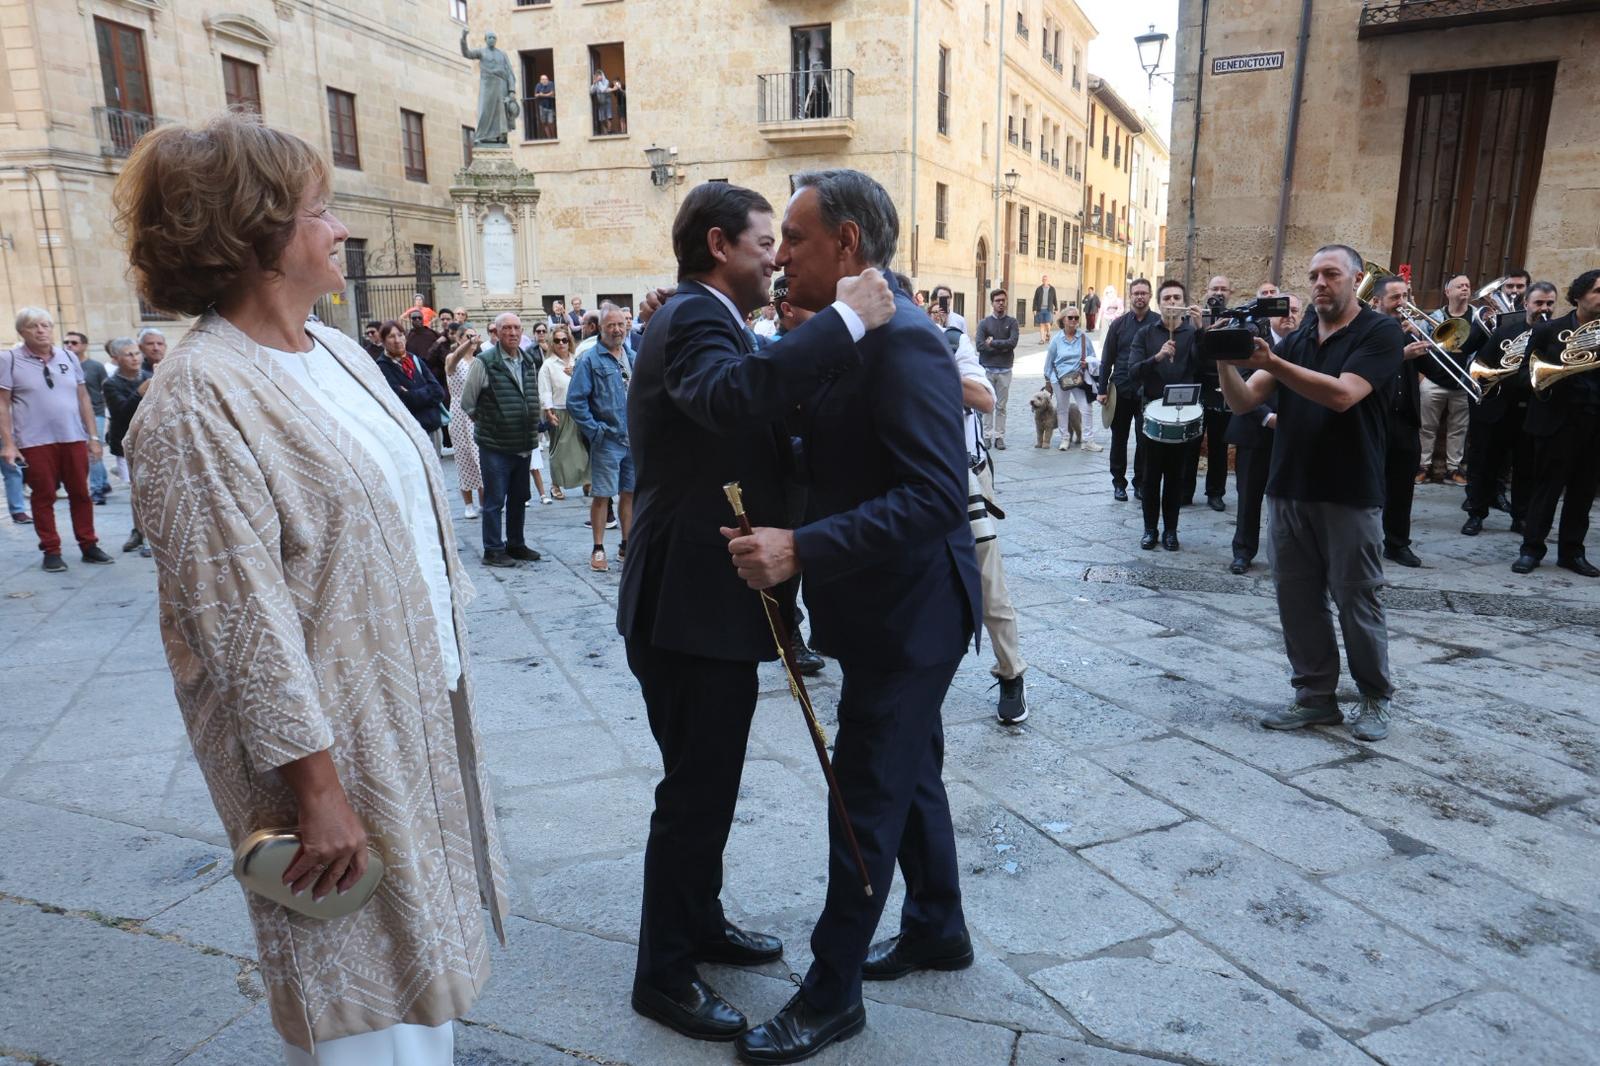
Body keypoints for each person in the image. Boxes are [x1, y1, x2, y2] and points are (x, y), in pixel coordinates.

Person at [113, 113, 508, 1063]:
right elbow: (237, 622)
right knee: (363, 994)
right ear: (254, 233)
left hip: (409, 703)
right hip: (330, 744)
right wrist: (317, 794)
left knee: (421, 975)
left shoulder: (333, 350)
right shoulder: (195, 401)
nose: (339, 228)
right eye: (319, 210)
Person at [618, 180, 892, 1047]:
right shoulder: (694, 319)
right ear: (717, 245)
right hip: (686, 605)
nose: (776, 258)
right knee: (694, 794)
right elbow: (730, 397)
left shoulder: (715, 319)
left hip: (707, 605)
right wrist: (844, 322)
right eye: (765, 242)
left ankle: (698, 921)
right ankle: (663, 974)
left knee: (709, 784)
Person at [729, 169, 981, 1065]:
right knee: (912, 775)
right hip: (883, 609)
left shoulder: (905, 341)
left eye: (795, 238)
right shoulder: (854, 333)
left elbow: (935, 496)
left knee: (863, 797)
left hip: (912, 617)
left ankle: (831, 993)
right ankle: (938, 926)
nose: (780, 256)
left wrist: (802, 547)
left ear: (847, 244)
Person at [1216, 245, 1405, 743]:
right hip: (1289, 487)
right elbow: (1243, 402)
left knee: (1357, 599)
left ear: (1357, 279)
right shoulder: (1299, 338)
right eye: (1314, 275)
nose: (1320, 283)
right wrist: (1224, 360)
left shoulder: (1380, 332)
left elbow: (1343, 395)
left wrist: (1273, 361)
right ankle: (1315, 697)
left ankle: (1375, 696)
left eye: (1331, 274)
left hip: (1350, 490)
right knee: (1297, 601)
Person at [931, 299, 1027, 723]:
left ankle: (1011, 673)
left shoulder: (950, 345)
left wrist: (922, 364)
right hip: (906, 478)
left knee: (988, 577)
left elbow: (984, 399)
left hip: (963, 474)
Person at [1, 308, 112, 572]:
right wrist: (9, 443)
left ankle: (89, 545)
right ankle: (51, 550)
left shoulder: (68, 357)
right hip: (34, 441)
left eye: (45, 325)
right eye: (33, 326)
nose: (41, 330)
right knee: (44, 495)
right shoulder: (9, 359)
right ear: (22, 331)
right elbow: (2, 404)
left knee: (81, 493)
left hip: (73, 437)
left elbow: (83, 397)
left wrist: (93, 437)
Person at [1514, 269, 1600, 577]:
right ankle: (1531, 550)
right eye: (1598, 291)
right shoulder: (1549, 331)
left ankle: (1572, 553)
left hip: (1594, 423)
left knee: (1583, 492)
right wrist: (1556, 374)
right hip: (1556, 422)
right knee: (1546, 489)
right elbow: (1523, 375)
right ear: (1579, 295)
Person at [1463, 283, 1554, 537]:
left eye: (1549, 303)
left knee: (1526, 468)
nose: (1544, 308)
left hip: (1533, 411)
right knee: (1485, 465)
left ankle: (1521, 517)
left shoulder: (1556, 334)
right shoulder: (1505, 332)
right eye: (1538, 303)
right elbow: (1481, 365)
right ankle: (1476, 513)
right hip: (1499, 408)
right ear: (1526, 304)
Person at [459, 312, 543, 568]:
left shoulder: (528, 360)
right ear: (496, 332)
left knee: (519, 497)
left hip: (523, 442)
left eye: (516, 327)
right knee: (495, 500)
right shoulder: (484, 362)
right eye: (506, 328)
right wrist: (491, 424)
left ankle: (516, 544)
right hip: (495, 445)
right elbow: (468, 402)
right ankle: (493, 549)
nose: (513, 332)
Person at [1227, 296, 1298, 574]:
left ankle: (1286, 553)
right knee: (1248, 496)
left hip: (1291, 436)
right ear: (1270, 316)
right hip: (1254, 431)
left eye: (1295, 310)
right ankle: (1243, 552)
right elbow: (1242, 383)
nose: (1289, 315)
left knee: (1289, 499)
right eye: (1284, 310)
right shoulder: (1254, 339)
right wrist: (1268, 418)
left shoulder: (1304, 344)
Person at [1126, 282, 1199, 551]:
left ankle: (1170, 531)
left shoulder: (1191, 333)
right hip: (1152, 413)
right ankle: (1149, 529)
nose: (1172, 302)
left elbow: (1205, 365)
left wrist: (1202, 332)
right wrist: (1157, 357)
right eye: (1167, 298)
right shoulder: (1146, 334)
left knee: (1175, 477)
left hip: (1182, 414)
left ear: (1184, 302)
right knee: (1150, 476)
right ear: (1160, 303)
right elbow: (1133, 371)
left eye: (1177, 297)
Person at [566, 305, 635, 571]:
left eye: (620, 325)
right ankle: (598, 549)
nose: (617, 330)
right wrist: (595, 430)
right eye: (611, 326)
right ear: (601, 328)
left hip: (632, 440)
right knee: (603, 495)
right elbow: (575, 401)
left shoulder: (632, 356)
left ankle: (626, 545)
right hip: (607, 439)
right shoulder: (590, 360)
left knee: (629, 493)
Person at [1370, 276, 1429, 568]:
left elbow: (1436, 371)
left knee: (1402, 487)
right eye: (1395, 297)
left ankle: (1397, 543)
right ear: (1377, 301)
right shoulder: (1368, 332)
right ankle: (1364, 542)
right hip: (1375, 420)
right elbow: (1365, 370)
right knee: (1369, 486)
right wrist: (1401, 354)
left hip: (1405, 420)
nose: (1402, 303)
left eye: (1405, 296)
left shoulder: (1408, 331)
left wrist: (1427, 340)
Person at [1417, 274, 1478, 484]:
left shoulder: (1478, 318)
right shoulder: (1433, 318)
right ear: (1447, 292)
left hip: (1464, 381)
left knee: (1459, 429)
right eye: (1459, 286)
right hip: (1433, 381)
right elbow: (1420, 345)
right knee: (1425, 426)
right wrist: (1422, 377)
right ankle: (1423, 466)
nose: (1465, 288)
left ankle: (1453, 469)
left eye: (1467, 285)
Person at [1098, 277, 1153, 501]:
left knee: (1144, 440)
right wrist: (1102, 389)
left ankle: (1140, 483)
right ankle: (1119, 483)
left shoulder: (1158, 323)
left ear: (1150, 296)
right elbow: (1107, 359)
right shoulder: (1118, 325)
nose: (1139, 297)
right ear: (1130, 296)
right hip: (1120, 389)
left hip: (1147, 391)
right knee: (1119, 439)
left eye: (1143, 293)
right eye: (1136, 293)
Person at [1188, 275, 1238, 511]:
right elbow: (1193, 356)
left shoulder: (1235, 320)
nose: (1218, 293)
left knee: (1219, 446)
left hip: (1222, 388)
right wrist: (1201, 329)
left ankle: (1216, 493)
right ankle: (1185, 490)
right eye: (1214, 288)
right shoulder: (1194, 319)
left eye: (1223, 289)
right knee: (1191, 443)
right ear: (1206, 291)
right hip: (1199, 387)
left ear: (1230, 293)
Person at [103, 338, 153, 554]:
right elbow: (121, 413)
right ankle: (141, 533)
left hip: (151, 440)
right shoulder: (111, 384)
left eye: (136, 353)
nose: (135, 358)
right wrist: (139, 393)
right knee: (137, 491)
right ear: (116, 359)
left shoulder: (151, 376)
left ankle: (148, 532)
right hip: (127, 443)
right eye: (128, 354)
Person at [375, 319, 448, 453]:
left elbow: (438, 392)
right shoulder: (382, 366)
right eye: (391, 336)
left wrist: (411, 394)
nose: (397, 340)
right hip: (410, 433)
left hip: (433, 426)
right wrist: (424, 393)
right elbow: (400, 400)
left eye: (400, 335)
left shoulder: (414, 359)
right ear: (383, 342)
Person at [539, 323, 587, 499]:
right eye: (557, 340)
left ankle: (587, 481)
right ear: (552, 343)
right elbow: (544, 390)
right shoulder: (548, 365)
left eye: (564, 340)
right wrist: (548, 411)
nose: (561, 343)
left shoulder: (578, 360)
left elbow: (586, 383)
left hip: (580, 410)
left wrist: (574, 373)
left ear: (569, 341)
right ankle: (555, 485)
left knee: (583, 449)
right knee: (559, 450)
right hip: (559, 410)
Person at [64, 331, 111, 504]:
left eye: (74, 342)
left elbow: (107, 389)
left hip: (95, 413)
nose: (69, 345)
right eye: (66, 342)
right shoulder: (62, 365)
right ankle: (103, 483)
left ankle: (97, 490)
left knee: (92, 451)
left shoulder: (96, 367)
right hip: (73, 415)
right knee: (89, 451)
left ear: (84, 345)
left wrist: (106, 413)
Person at [1045, 307, 1099, 451]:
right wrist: (1047, 381)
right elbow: (1049, 361)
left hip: (1078, 379)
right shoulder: (1056, 339)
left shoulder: (1083, 338)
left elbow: (1093, 357)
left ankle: (1088, 440)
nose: (1074, 320)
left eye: (1076, 317)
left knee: (1086, 408)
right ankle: (1065, 439)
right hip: (1060, 379)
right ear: (1063, 320)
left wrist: (1088, 362)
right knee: (1062, 409)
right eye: (1070, 317)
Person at [445, 324, 484, 517]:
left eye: (474, 336)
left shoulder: (479, 362)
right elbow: (455, 359)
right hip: (460, 413)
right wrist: (468, 343)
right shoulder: (452, 358)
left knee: (482, 457)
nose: (473, 340)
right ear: (459, 338)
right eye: (468, 336)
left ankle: (485, 501)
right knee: (464, 457)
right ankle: (468, 504)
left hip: (479, 412)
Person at [976, 289, 1019, 449]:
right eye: (997, 300)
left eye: (1003, 300)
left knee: (1001, 406)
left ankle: (999, 436)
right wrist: (1003, 346)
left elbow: (1012, 343)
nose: (1000, 303)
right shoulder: (984, 323)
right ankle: (987, 436)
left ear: (1006, 302)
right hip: (987, 369)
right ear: (992, 303)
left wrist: (993, 343)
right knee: (987, 403)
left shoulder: (1012, 322)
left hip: (1005, 370)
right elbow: (980, 346)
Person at [1033, 274, 1058, 344]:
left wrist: (1056, 308)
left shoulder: (1052, 289)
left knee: (1047, 323)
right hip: (1040, 309)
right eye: (1043, 280)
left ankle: (1048, 333)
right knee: (1041, 324)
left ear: (1048, 281)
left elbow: (1054, 299)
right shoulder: (1039, 289)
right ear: (1042, 280)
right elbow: (1035, 299)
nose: (1044, 281)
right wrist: (1034, 309)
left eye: (1046, 280)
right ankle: (1042, 339)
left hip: (1048, 309)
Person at [591, 69, 615, 134]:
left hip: (607, 101)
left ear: (601, 75)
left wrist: (598, 83)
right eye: (596, 76)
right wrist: (594, 84)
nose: (597, 77)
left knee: (608, 117)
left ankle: (609, 131)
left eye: (598, 75)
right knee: (602, 119)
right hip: (600, 102)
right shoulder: (596, 83)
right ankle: (605, 131)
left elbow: (603, 89)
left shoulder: (606, 81)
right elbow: (591, 91)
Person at [533, 73, 556, 139]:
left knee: (550, 122)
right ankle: (549, 137)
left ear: (548, 80)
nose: (544, 81)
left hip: (550, 107)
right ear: (540, 80)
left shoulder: (551, 84)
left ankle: (553, 136)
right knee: (544, 123)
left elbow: (552, 93)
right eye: (543, 79)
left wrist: (542, 95)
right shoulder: (538, 85)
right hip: (542, 107)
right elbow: (535, 95)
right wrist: (540, 94)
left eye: (546, 79)